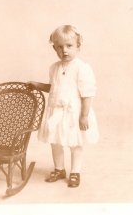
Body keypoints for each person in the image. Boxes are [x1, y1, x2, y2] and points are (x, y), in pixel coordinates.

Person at [27, 25, 99, 187]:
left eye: (69, 46)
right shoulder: (54, 68)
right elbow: (54, 87)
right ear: (54, 49)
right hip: (56, 112)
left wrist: (84, 115)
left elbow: (87, 93)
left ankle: (75, 172)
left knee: (75, 143)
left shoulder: (82, 68)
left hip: (74, 113)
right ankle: (59, 169)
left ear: (78, 46)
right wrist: (38, 85)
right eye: (59, 47)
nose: (64, 51)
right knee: (55, 141)